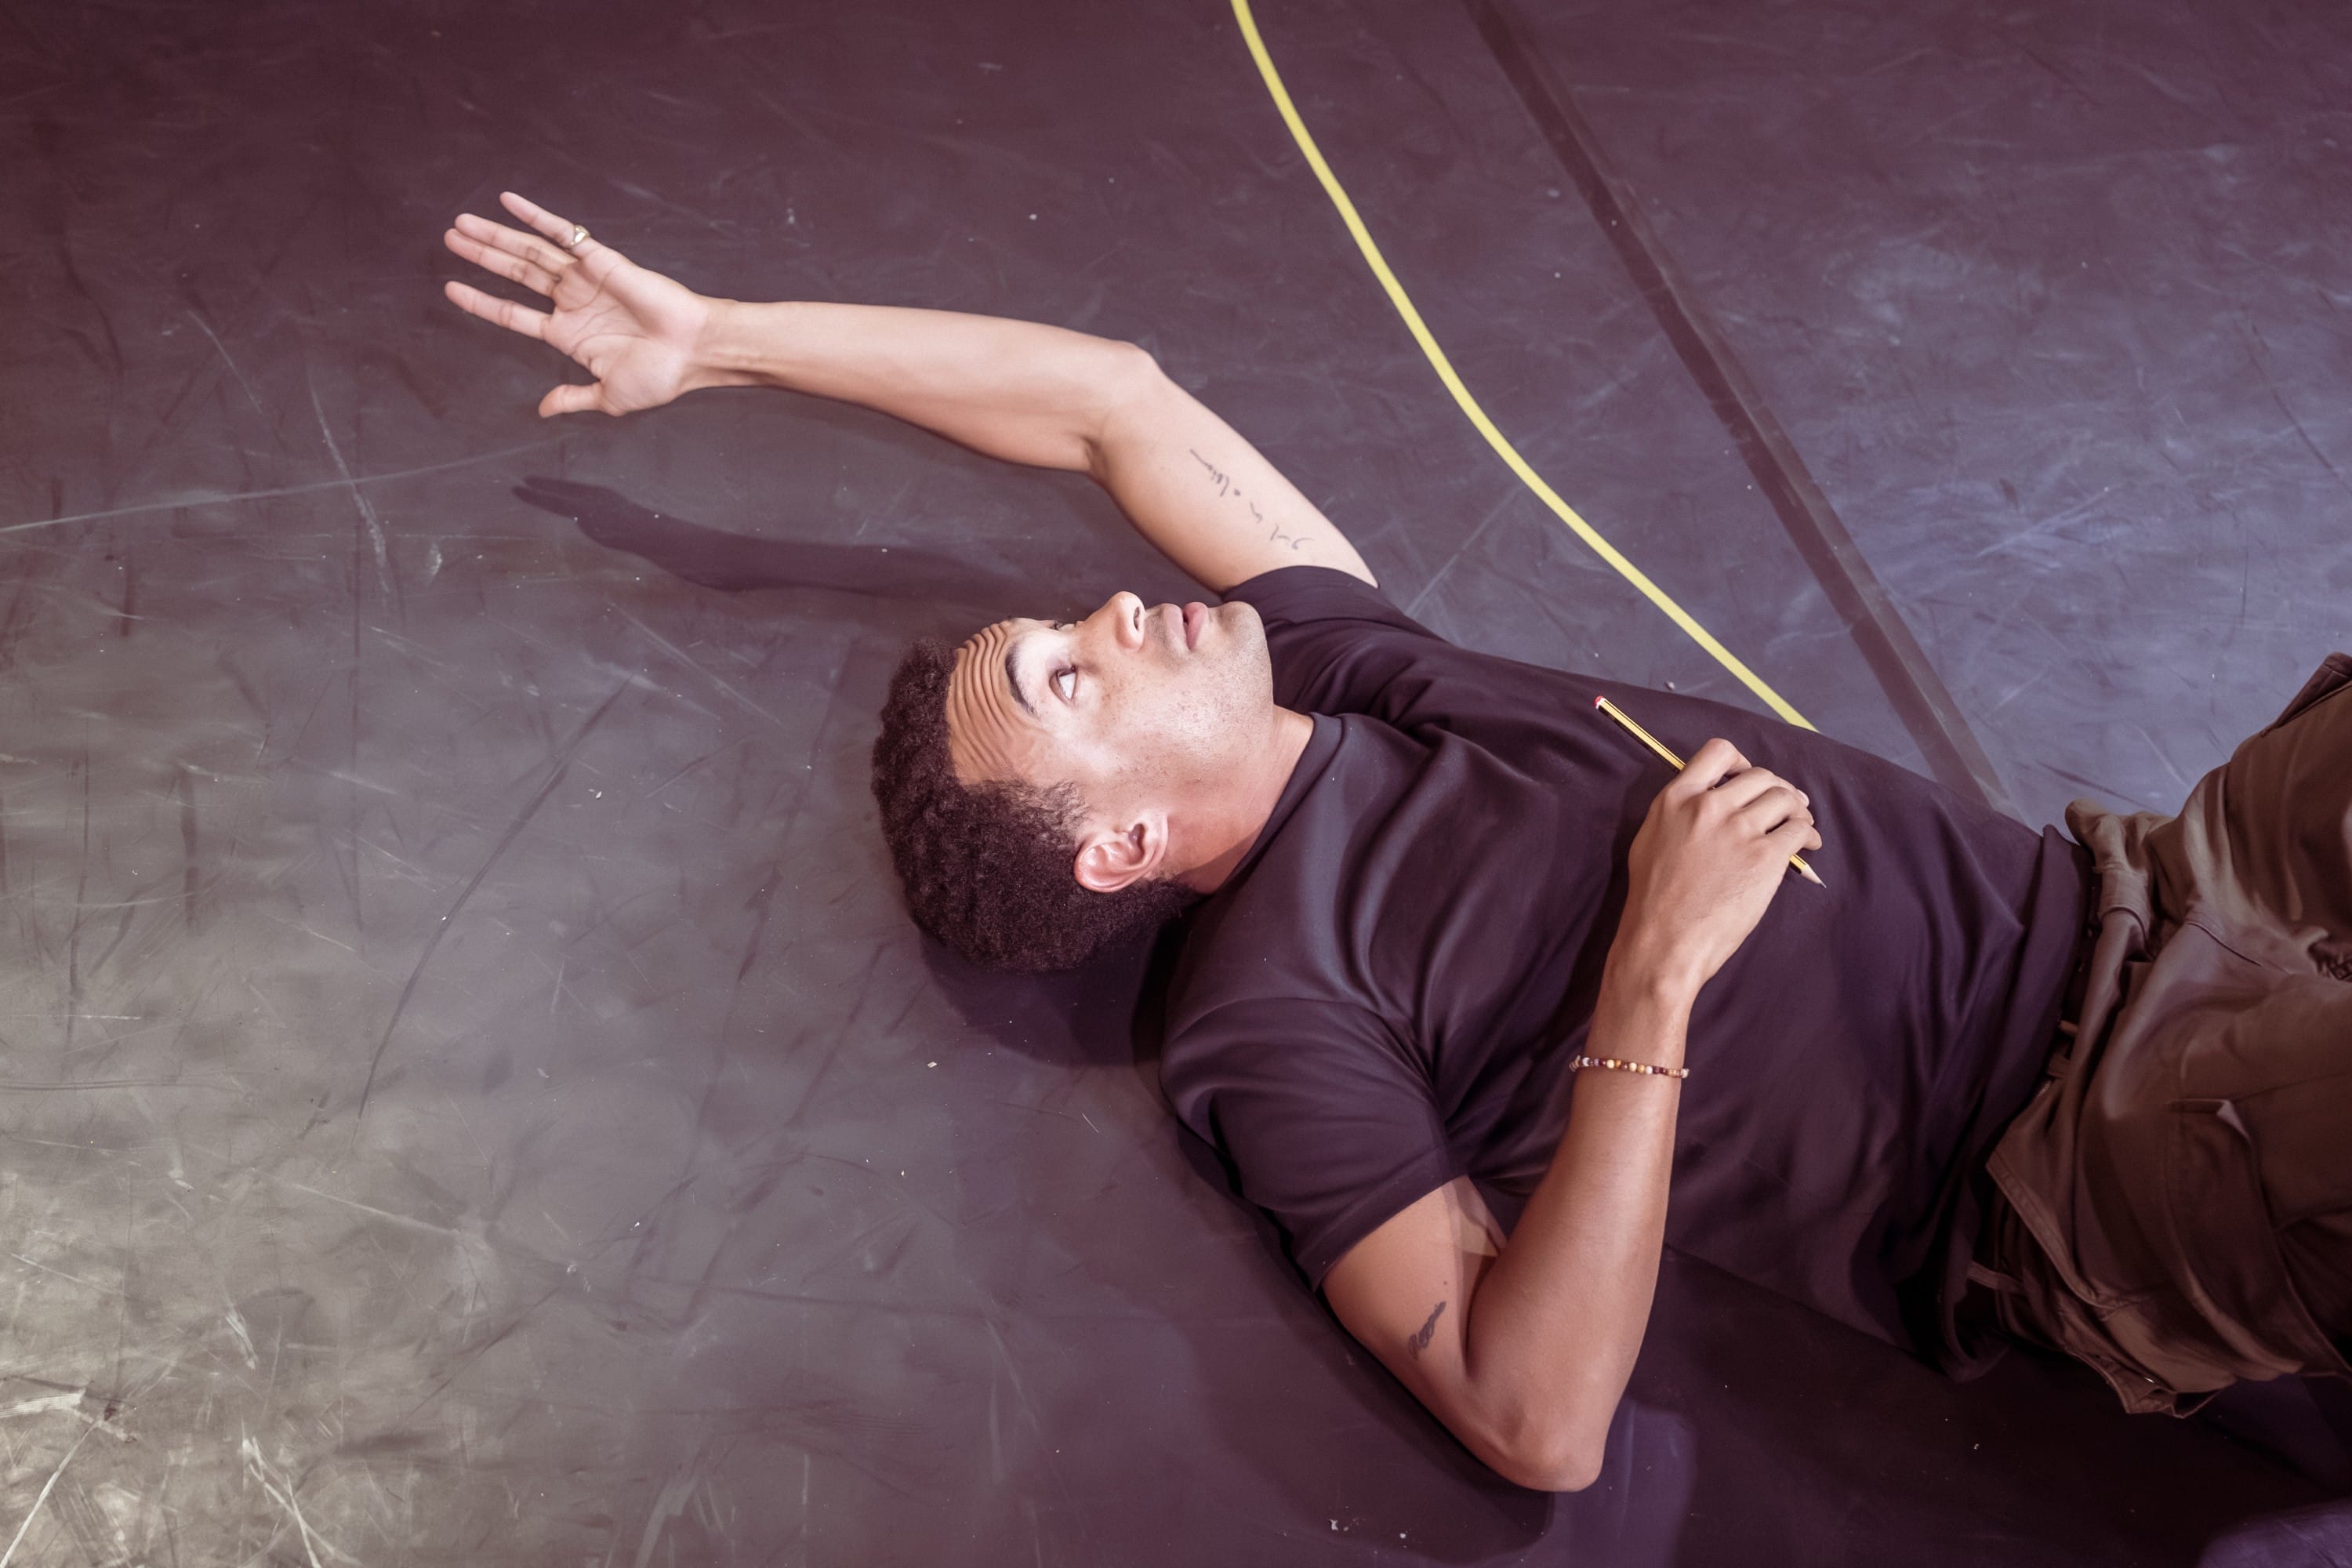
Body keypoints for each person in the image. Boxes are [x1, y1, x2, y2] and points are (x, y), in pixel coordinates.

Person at [444, 193, 2352, 1491]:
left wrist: (722, 342)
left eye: (1066, 627)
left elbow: (1111, 406)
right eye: (1070, 678)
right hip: (2099, 1140)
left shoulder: (1354, 678)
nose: (1108, 613)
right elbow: (1535, 1418)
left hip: (2158, 889)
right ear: (1117, 843)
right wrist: (1652, 980)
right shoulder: (1277, 1020)